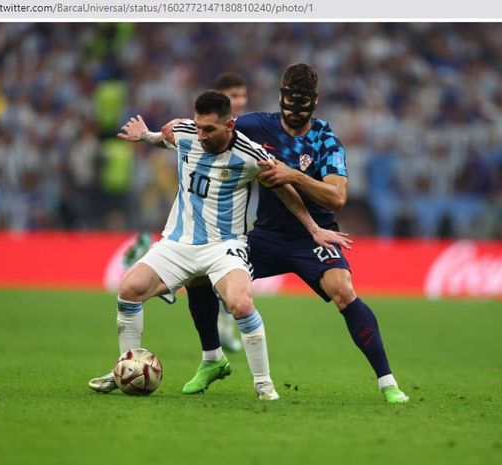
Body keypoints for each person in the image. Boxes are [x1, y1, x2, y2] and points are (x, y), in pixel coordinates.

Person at [161, 64, 408, 404]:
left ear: (314, 101)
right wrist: (169, 130)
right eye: (290, 100)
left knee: (343, 290)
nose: (294, 109)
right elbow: (211, 131)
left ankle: (388, 382)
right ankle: (212, 360)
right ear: (281, 97)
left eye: (302, 102)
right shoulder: (254, 125)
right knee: (201, 274)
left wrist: (294, 175)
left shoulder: (325, 141)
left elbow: (336, 197)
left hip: (314, 236)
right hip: (265, 235)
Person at [88, 91, 351, 400]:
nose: (201, 135)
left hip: (224, 247)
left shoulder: (251, 154)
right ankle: (127, 368)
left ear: (229, 125)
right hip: (177, 242)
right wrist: (144, 134)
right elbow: (165, 138)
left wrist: (314, 228)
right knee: (129, 289)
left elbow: (285, 189)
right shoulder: (185, 132)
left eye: (209, 130)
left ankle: (264, 385)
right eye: (199, 126)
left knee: (241, 303)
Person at [123, 71, 250, 353]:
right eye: (233, 96)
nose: (238, 100)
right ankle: (212, 351)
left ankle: (227, 339)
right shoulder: (198, 129)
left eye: (242, 95)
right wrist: (147, 134)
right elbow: (172, 136)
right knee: (199, 285)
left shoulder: (254, 132)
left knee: (236, 293)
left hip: (233, 230)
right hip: (188, 234)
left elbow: (274, 172)